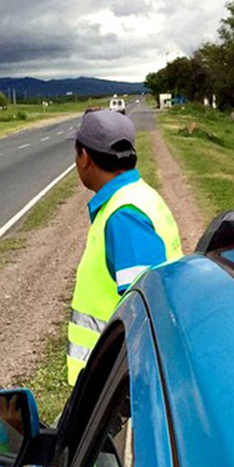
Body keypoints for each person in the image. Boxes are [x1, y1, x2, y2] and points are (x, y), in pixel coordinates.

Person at [66, 109, 182, 385]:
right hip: (112, 382)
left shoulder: (125, 216)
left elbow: (145, 315)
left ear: (84, 157)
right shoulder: (137, 197)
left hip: (115, 388)